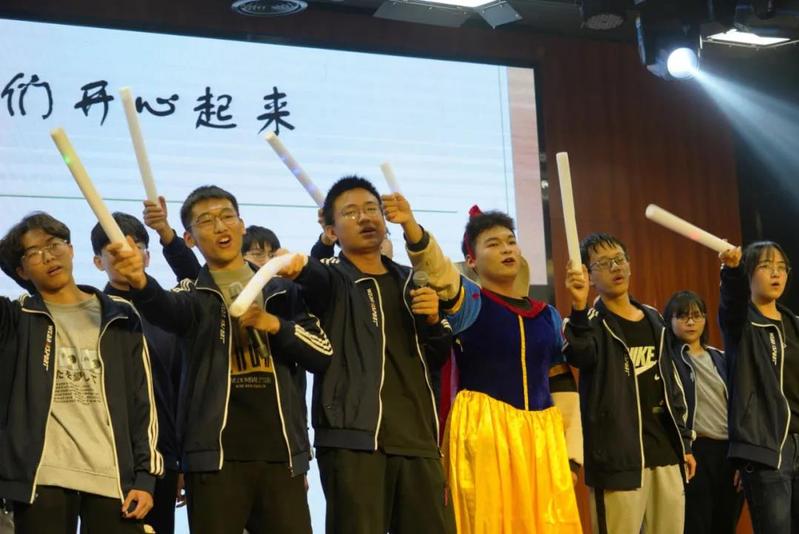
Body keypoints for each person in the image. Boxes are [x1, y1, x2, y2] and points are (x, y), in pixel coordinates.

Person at [108, 186, 333, 534]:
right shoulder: (191, 295)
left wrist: (275, 325)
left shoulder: (282, 291)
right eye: (206, 221)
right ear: (190, 238)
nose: (220, 226)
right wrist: (140, 282)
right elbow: (165, 309)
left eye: (227, 216)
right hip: (213, 460)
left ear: (242, 225)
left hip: (282, 455)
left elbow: (322, 354)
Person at [384, 195, 583, 533]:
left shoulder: (547, 316)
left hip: (542, 442)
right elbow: (436, 269)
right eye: (493, 243)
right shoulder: (470, 302)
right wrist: (410, 226)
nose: (506, 249)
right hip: (485, 434)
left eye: (510, 241)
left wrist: (572, 457)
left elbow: (562, 386)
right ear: (471, 260)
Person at [278, 176, 455, 534]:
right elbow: (313, 276)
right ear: (331, 230)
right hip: (351, 440)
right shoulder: (332, 278)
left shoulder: (413, 281)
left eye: (372, 208)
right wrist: (296, 263)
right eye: (351, 212)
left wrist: (434, 320)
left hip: (417, 439)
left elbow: (438, 355)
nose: (365, 217)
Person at [0, 212, 162, 534]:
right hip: (41, 479)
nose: (48, 256)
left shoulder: (120, 314)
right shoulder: (16, 319)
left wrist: (145, 477)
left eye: (54, 244)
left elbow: (142, 401)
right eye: (34, 253)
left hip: (113, 477)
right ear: (21, 271)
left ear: (71, 249)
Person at [564, 232, 696, 534]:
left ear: (629, 264)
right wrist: (578, 306)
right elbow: (579, 354)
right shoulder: (587, 323)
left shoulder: (654, 319)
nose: (615, 267)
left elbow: (672, 385)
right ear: (588, 276)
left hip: (665, 454)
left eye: (619, 259)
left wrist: (684, 442)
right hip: (617, 460)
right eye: (603, 263)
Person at [91, 213, 184, 534]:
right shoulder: (91, 313)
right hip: (105, 460)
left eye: (137, 247)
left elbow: (178, 390)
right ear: (98, 262)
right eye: (114, 251)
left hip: (163, 459)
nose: (127, 256)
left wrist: (179, 462)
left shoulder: (170, 312)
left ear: (147, 255)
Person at [719, 241, 798, 533]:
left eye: (781, 267)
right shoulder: (741, 323)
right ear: (749, 274)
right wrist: (732, 271)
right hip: (765, 446)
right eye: (765, 266)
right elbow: (732, 303)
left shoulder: (794, 324)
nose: (776, 273)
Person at [664, 290, 743, 534]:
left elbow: (741, 406)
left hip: (729, 452)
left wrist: (742, 455)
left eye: (697, 315)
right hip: (695, 452)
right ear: (670, 321)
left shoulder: (720, 357)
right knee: (696, 525)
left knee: (725, 524)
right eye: (682, 316)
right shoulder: (668, 360)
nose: (691, 322)